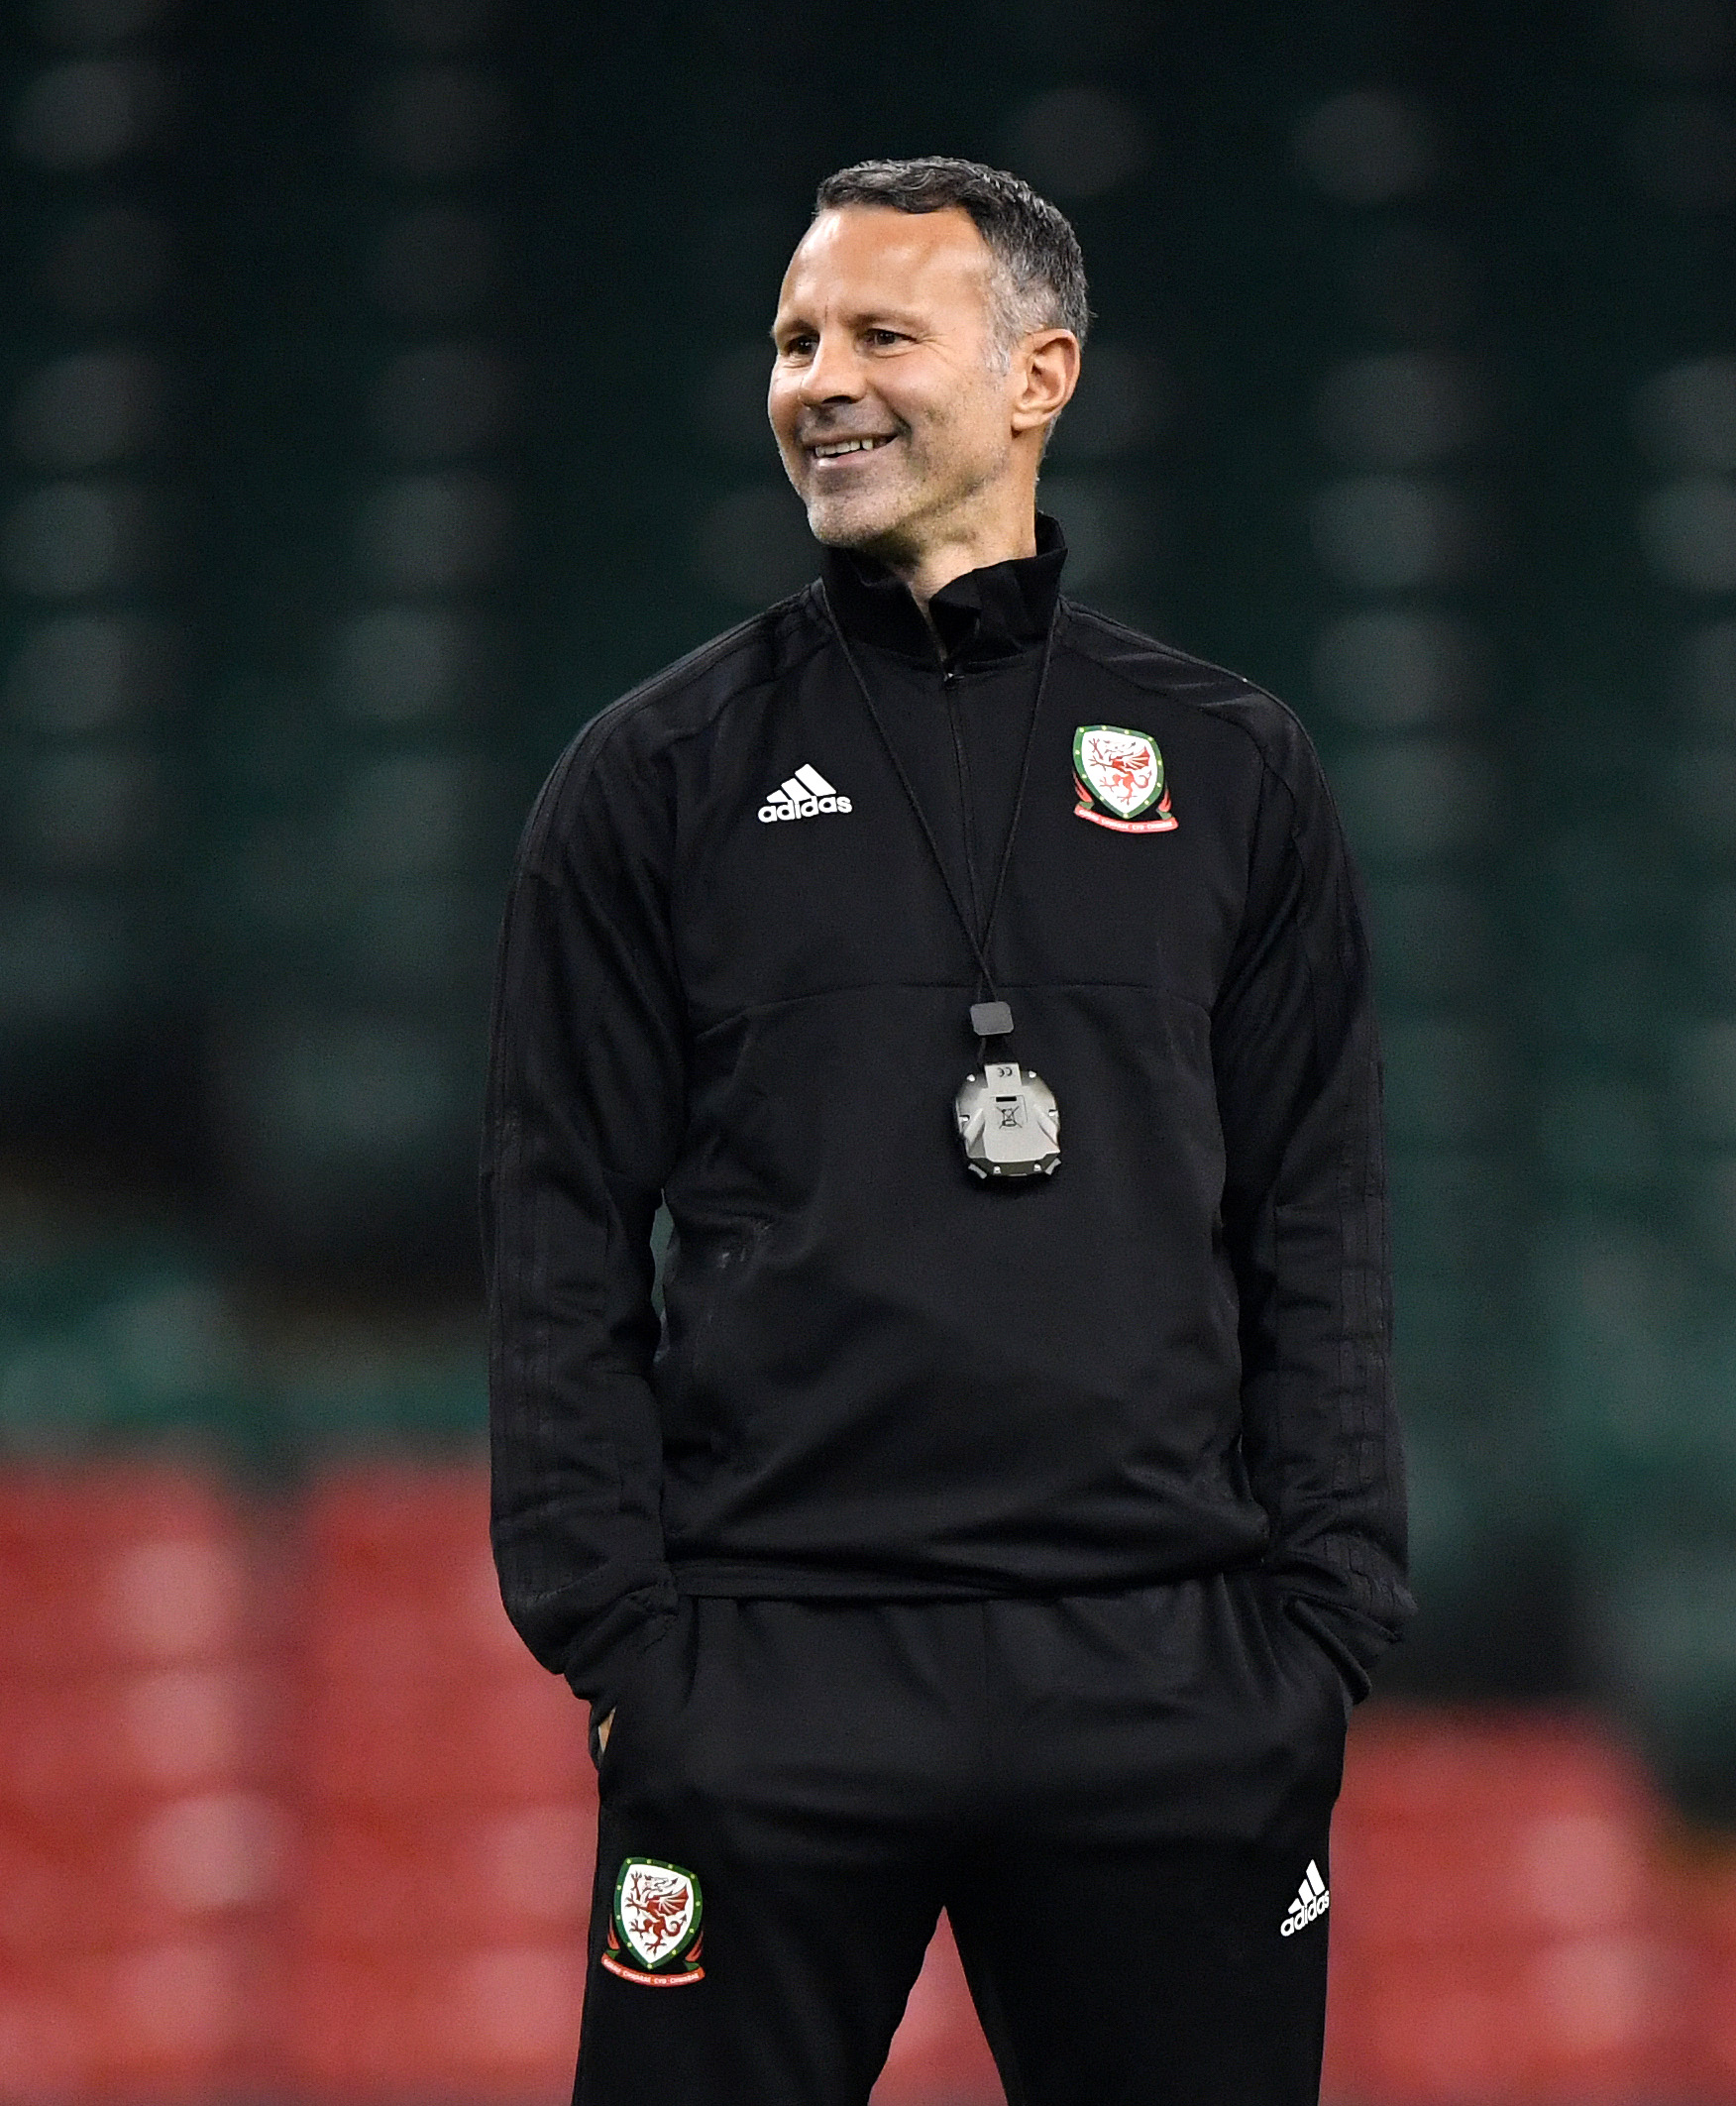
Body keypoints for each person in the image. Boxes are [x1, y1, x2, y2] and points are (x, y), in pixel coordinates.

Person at [483, 156, 1407, 2106]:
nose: (815, 379)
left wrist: (1312, 1627)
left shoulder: (1231, 769)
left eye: (876, 333)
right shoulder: (647, 777)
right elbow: (559, 1224)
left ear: (1034, 375)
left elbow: (1313, 1206)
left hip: (1165, 1674)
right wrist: (627, 1646)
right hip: (770, 1671)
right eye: (790, 340)